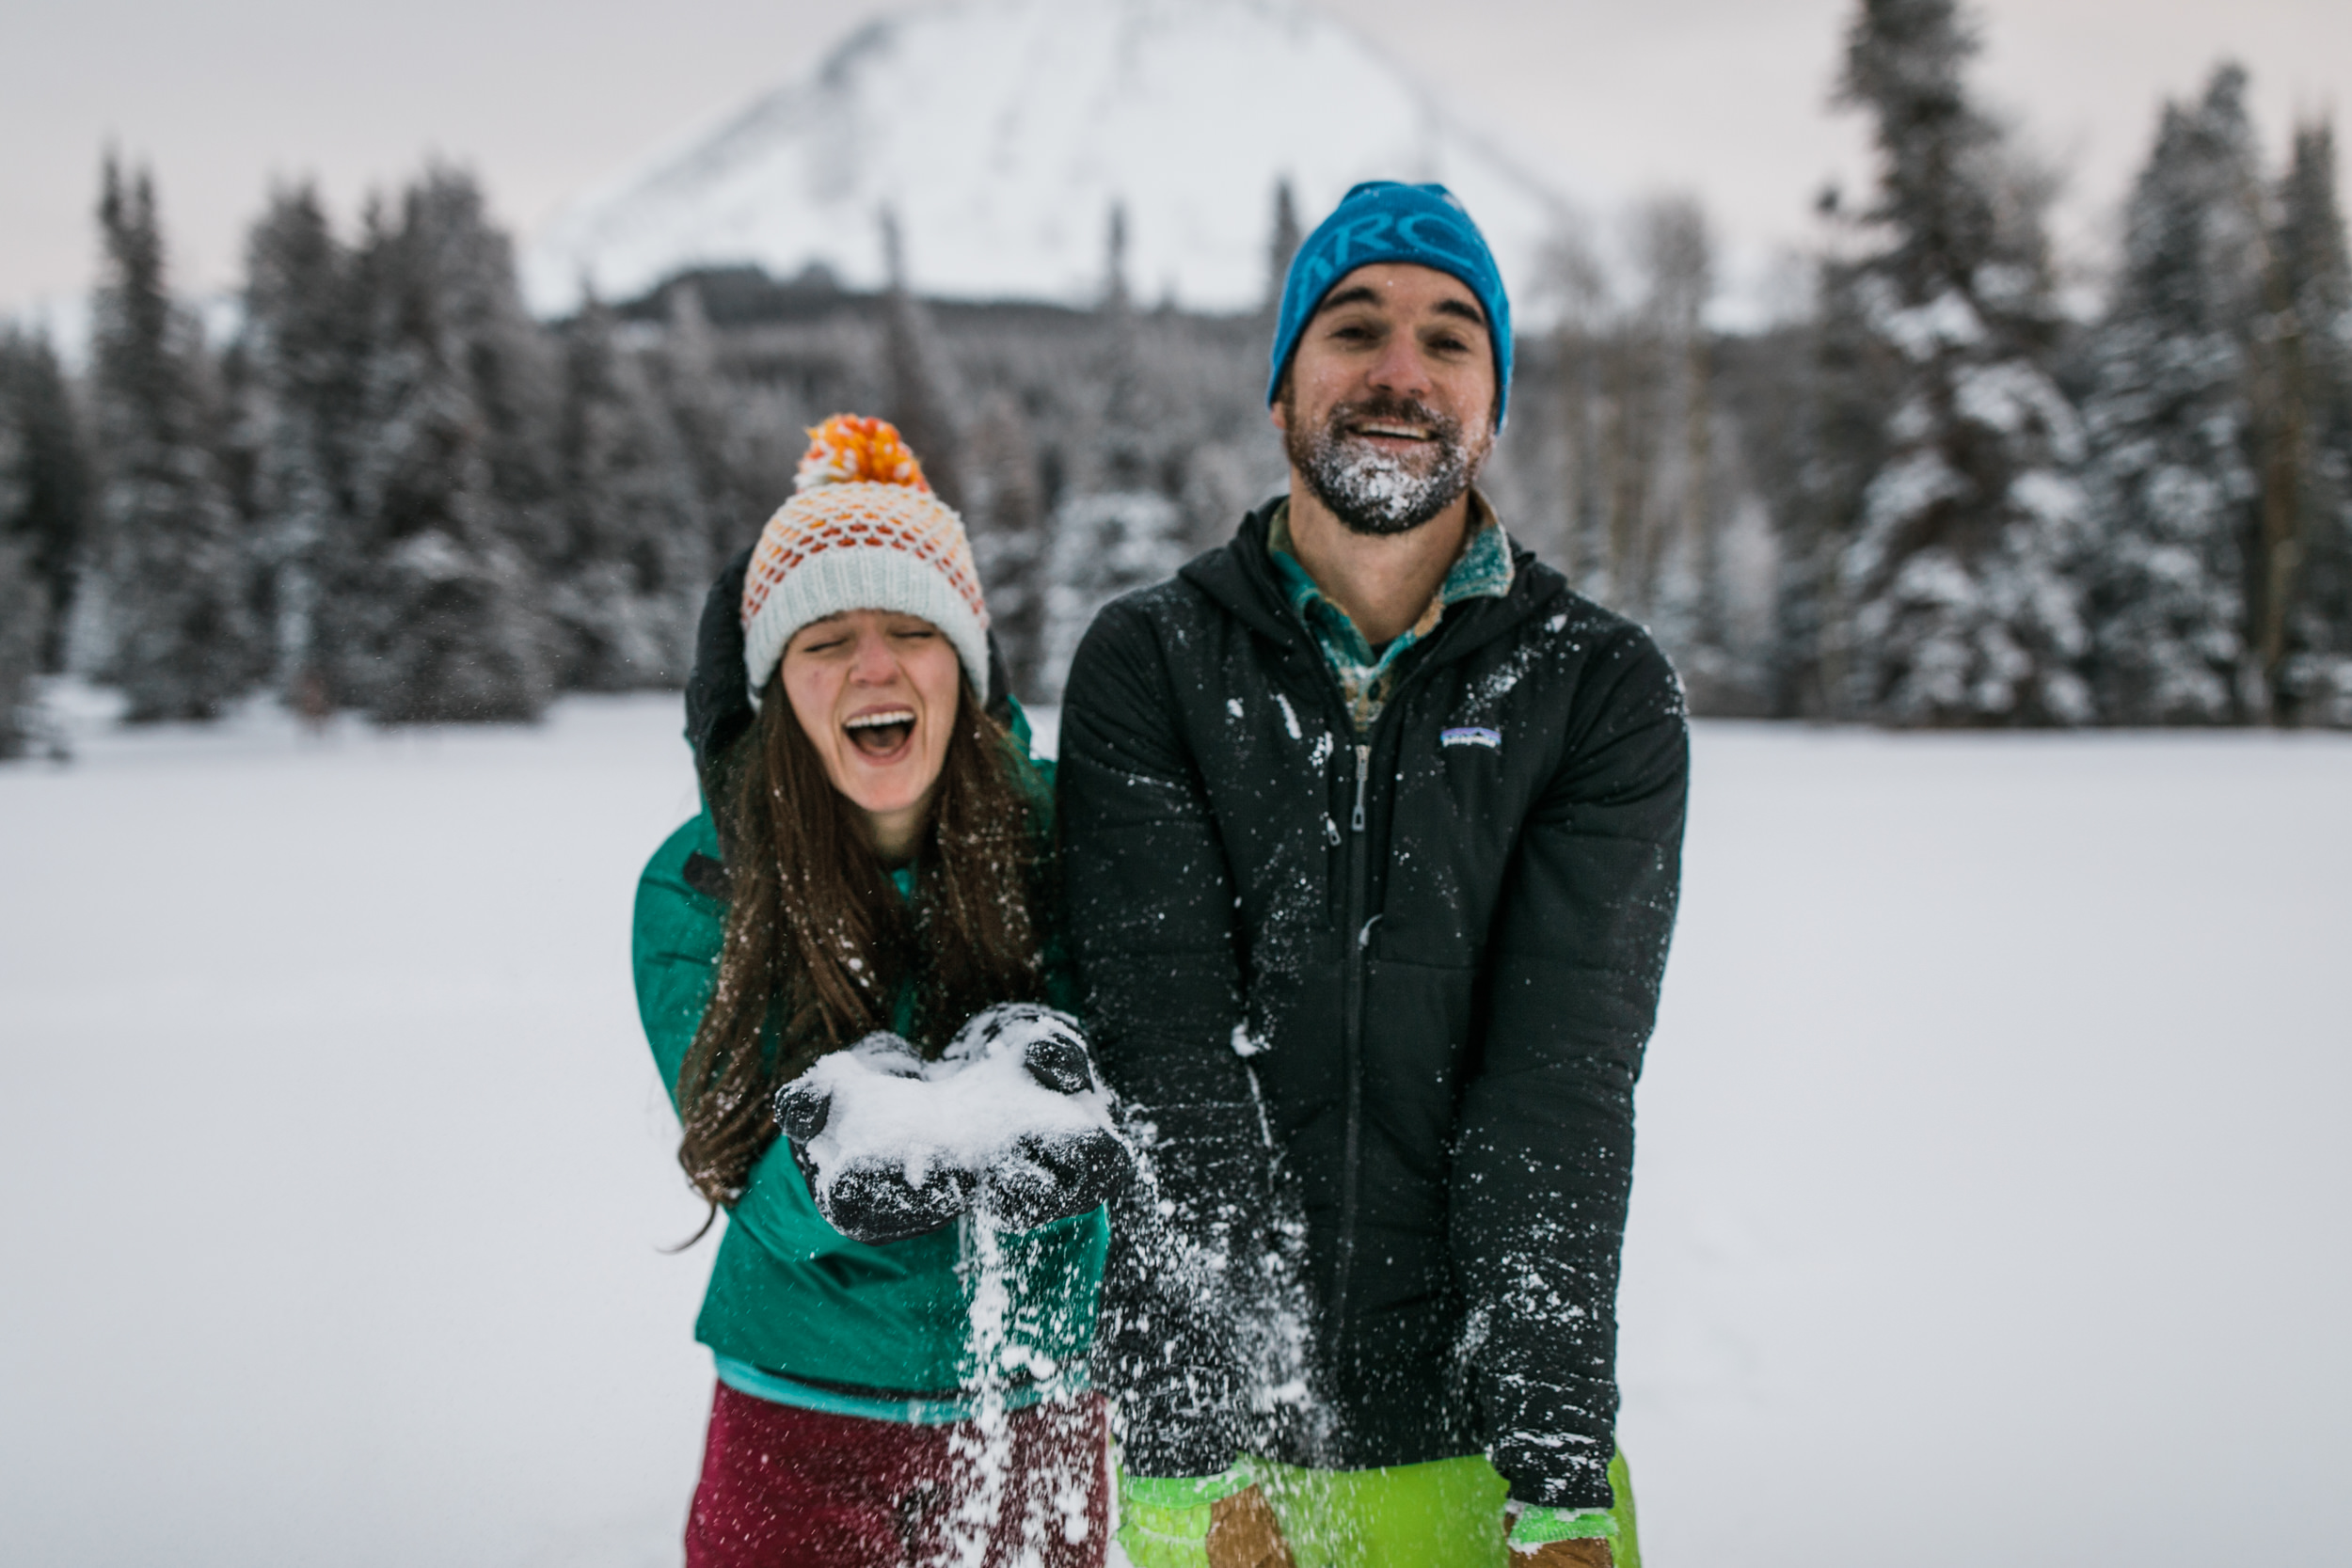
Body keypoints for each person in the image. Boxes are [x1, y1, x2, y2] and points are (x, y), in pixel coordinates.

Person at [1058, 182, 1689, 1567]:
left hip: (1491, 1447)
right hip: (1212, 1451)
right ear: (1281, 388)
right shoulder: (1151, 663)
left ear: (1492, 404)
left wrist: (1558, 1469)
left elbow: (1559, 1089)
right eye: (1355, 328)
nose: (1402, 370)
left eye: (1451, 338)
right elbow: (1166, 1057)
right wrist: (1216, 1436)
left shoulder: (1597, 691)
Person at [632, 415, 1120, 1568]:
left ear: (965, 664)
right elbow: (738, 1161)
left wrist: (1078, 1096)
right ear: (775, 687)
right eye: (825, 638)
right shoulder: (700, 881)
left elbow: (1163, 1067)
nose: (874, 666)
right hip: (797, 1411)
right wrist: (830, 1165)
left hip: (1036, 1413)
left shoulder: (1075, 835)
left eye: (914, 628)